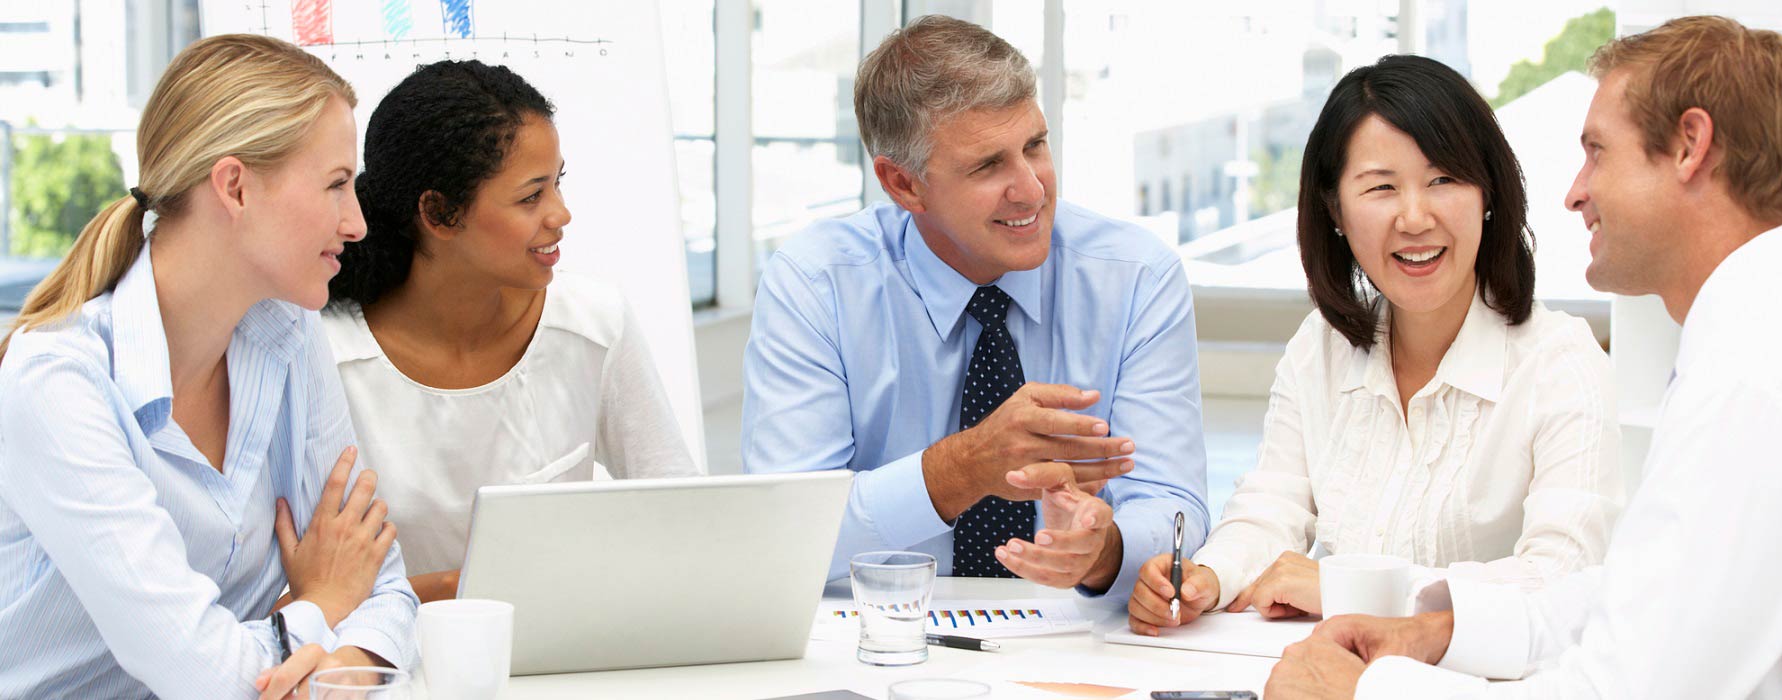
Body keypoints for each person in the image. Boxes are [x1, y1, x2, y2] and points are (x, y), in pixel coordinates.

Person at [1265, 15, 1782, 699]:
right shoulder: (1757, 334)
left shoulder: (1753, 378)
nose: (1576, 192)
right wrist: (1440, 630)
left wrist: (1364, 692)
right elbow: (1629, 598)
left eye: (1598, 153)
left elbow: (1624, 689)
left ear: (1691, 145)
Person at [1127, 55, 1621, 635]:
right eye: (1381, 187)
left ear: (1488, 192)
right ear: (1335, 210)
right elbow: (1273, 506)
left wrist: (1351, 590)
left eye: (1443, 180)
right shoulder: (1321, 347)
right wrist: (1206, 577)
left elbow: (1563, 576)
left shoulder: (1561, 362)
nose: (1415, 218)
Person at [0, 34, 416, 698]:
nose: (358, 222)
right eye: (337, 184)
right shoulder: (58, 384)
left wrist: (338, 668)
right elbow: (202, 674)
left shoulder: (290, 334)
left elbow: (384, 588)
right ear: (234, 187)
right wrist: (317, 606)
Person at [741, 15, 1208, 599]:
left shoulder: (1137, 276)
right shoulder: (817, 284)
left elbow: (1176, 507)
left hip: (1074, 647)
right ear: (903, 185)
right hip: (876, 640)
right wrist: (962, 469)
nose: (1033, 190)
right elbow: (783, 534)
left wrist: (1103, 552)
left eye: (1034, 146)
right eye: (989, 165)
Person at [321, 60, 698, 602]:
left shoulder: (593, 322)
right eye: (531, 196)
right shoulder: (328, 354)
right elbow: (303, 593)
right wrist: (463, 590)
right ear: (439, 213)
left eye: (558, 184)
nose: (560, 214)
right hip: (389, 672)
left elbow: (681, 519)